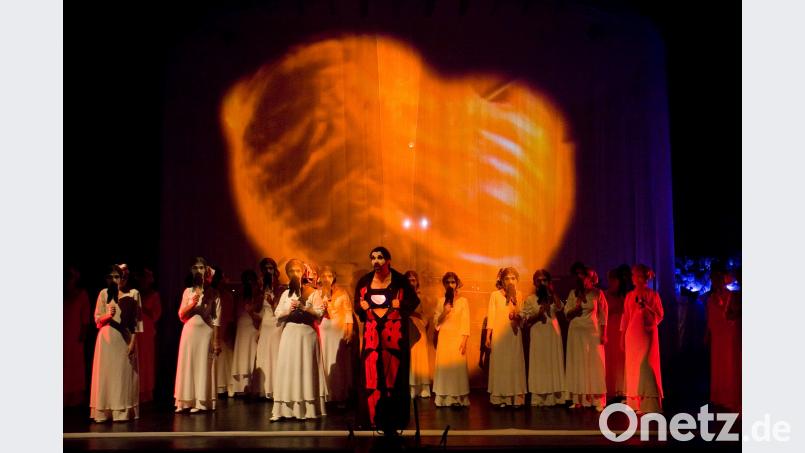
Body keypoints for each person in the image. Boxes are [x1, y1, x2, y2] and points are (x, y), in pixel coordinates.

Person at [354, 246, 420, 433]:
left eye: (380, 258)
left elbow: (414, 301)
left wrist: (401, 304)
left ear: (388, 260)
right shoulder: (365, 281)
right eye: (373, 258)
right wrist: (362, 307)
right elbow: (357, 305)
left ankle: (395, 419)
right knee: (371, 373)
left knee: (394, 377)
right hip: (372, 334)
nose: (376, 261)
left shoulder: (399, 280)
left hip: (394, 335)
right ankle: (372, 418)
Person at [270, 260, 328, 421]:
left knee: (306, 368)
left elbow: (319, 314)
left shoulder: (312, 292)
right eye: (292, 270)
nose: (295, 273)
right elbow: (277, 313)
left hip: (307, 334)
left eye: (298, 270)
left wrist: (304, 307)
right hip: (290, 333)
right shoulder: (285, 294)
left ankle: (308, 409)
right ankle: (285, 409)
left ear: (304, 272)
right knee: (289, 368)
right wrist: (289, 310)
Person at [89, 264, 143, 422]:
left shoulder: (134, 294)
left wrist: (133, 343)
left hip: (124, 339)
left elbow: (137, 322)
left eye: (124, 275)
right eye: (118, 275)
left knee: (122, 375)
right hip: (106, 340)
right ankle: (104, 412)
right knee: (106, 375)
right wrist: (107, 315)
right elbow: (97, 321)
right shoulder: (104, 293)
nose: (121, 278)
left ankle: (121, 411)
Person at [174, 257, 222, 413]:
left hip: (205, 334)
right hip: (189, 332)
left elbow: (216, 319)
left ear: (207, 272)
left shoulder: (214, 293)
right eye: (196, 267)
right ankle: (185, 401)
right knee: (187, 365)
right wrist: (192, 303)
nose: (198, 270)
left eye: (202, 268)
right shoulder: (188, 291)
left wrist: (216, 341)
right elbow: (181, 315)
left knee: (202, 366)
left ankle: (201, 402)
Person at [621, 264, 664, 413]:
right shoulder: (629, 296)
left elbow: (659, 315)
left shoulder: (653, 295)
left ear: (641, 277)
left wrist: (646, 307)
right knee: (633, 366)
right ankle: (635, 402)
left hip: (647, 333)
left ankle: (649, 402)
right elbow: (626, 317)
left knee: (646, 365)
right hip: (632, 334)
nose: (632, 278)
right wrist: (622, 336)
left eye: (634, 275)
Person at [564, 266, 608, 411]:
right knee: (578, 364)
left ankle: (597, 400)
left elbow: (603, 315)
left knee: (595, 364)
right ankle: (579, 399)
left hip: (592, 332)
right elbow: (566, 314)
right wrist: (576, 308)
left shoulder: (597, 293)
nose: (583, 279)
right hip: (576, 332)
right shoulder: (573, 293)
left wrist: (604, 333)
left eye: (586, 276)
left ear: (592, 278)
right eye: (581, 277)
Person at [522, 269, 568, 406]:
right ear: (534, 282)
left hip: (553, 334)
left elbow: (561, 308)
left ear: (549, 282)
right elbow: (525, 320)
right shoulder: (530, 299)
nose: (542, 283)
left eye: (545, 280)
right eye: (539, 280)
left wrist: (552, 293)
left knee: (553, 361)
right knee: (540, 363)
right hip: (538, 334)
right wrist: (537, 315)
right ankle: (540, 397)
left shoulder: (552, 296)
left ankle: (556, 396)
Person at [485, 267, 527, 408]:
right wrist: (488, 336)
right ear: (502, 280)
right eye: (507, 278)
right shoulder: (495, 295)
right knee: (501, 365)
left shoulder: (519, 294)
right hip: (499, 334)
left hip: (513, 333)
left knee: (514, 364)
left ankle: (516, 398)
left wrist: (516, 313)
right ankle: (501, 397)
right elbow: (491, 316)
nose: (510, 281)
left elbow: (522, 314)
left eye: (513, 278)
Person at [704, 264, 741, 412]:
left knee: (729, 363)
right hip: (717, 334)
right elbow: (710, 317)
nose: (715, 282)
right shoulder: (711, 297)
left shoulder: (731, 295)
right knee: (718, 363)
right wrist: (707, 333)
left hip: (728, 333)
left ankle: (729, 397)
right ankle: (719, 396)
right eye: (713, 279)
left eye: (718, 279)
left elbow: (734, 314)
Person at [432, 272, 471, 407]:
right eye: (447, 282)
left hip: (457, 338)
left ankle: (458, 399)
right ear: (444, 284)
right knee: (445, 368)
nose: (450, 285)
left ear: (456, 283)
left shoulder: (463, 301)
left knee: (457, 368)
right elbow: (436, 324)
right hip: (445, 338)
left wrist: (464, 340)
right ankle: (444, 399)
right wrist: (445, 311)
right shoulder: (440, 301)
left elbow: (466, 322)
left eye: (452, 282)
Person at [318, 265, 355, 405]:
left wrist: (349, 331)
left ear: (334, 277)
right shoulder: (318, 292)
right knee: (325, 360)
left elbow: (348, 312)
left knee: (338, 361)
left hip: (338, 331)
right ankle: (326, 395)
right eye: (324, 276)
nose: (327, 278)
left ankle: (340, 394)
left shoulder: (342, 292)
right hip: (323, 330)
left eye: (329, 275)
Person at [254, 258, 283, 399]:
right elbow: (258, 308)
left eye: (270, 268)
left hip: (277, 324)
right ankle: (264, 389)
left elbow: (280, 310)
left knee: (275, 355)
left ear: (275, 270)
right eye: (265, 268)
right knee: (264, 355)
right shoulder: (261, 287)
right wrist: (260, 292)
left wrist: (272, 303)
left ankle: (277, 389)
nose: (268, 271)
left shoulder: (280, 288)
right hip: (265, 324)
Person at [229, 270, 261, 396]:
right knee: (241, 353)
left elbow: (259, 310)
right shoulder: (239, 293)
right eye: (246, 279)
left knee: (252, 353)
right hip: (242, 325)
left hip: (252, 326)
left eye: (251, 279)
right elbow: (235, 310)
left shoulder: (258, 293)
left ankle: (252, 385)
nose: (249, 282)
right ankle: (240, 386)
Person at [64, 266, 90, 406]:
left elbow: (85, 317)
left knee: (74, 364)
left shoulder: (81, 294)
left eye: (71, 277)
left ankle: (74, 395)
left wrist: (83, 333)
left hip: (75, 335)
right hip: (63, 333)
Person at [605, 265, 631, 400]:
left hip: (622, 328)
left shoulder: (625, 295)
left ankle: (622, 388)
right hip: (610, 327)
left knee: (621, 358)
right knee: (611, 358)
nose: (612, 282)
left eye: (615, 280)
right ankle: (610, 388)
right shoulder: (605, 295)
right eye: (611, 280)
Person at [405, 270, 432, 399]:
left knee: (421, 357)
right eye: (409, 280)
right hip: (407, 327)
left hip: (419, 327)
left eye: (413, 280)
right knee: (410, 357)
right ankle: (411, 387)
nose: (411, 282)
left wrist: (422, 321)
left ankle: (423, 387)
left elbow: (427, 314)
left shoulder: (422, 296)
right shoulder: (402, 295)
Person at [136, 268, 162, 403]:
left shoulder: (154, 295)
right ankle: (135, 389)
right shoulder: (135, 293)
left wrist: (144, 308)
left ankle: (146, 391)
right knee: (137, 359)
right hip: (136, 330)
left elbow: (156, 314)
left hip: (147, 330)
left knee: (146, 360)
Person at [210, 266, 234, 396]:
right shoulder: (212, 294)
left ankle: (226, 385)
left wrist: (229, 328)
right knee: (217, 357)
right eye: (223, 277)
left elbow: (230, 314)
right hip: (214, 326)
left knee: (225, 357)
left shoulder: (227, 296)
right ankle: (216, 386)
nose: (225, 280)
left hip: (224, 326)